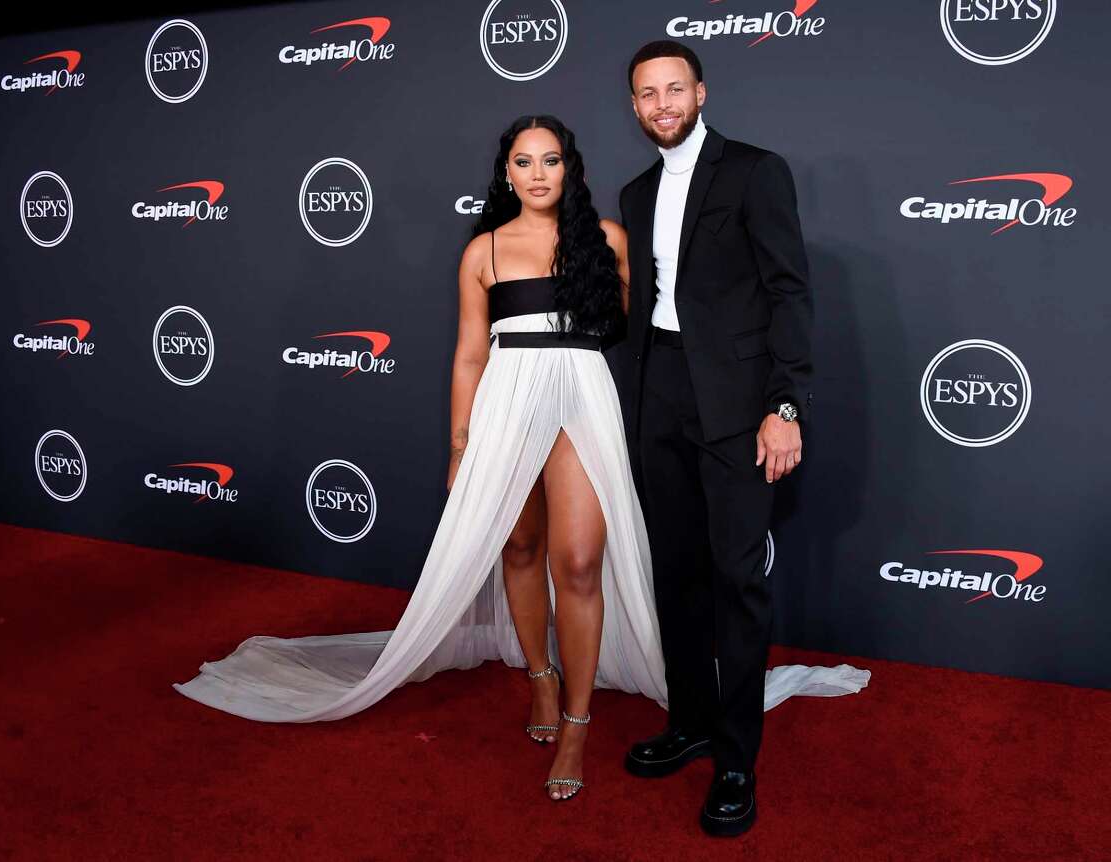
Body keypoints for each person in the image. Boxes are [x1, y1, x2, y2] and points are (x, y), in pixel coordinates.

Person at [174, 115, 867, 805]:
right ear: (505, 172)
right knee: (521, 547)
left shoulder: (611, 241)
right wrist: (459, 446)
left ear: (573, 169)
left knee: (578, 562)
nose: (538, 174)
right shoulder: (484, 252)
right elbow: (469, 356)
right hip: (506, 403)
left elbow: (661, 335)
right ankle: (540, 675)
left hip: (583, 402)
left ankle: (576, 721)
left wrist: (760, 398)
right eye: (524, 162)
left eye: (552, 160)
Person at [618, 40, 819, 836]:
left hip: (740, 406)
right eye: (646, 93)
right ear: (634, 106)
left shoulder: (753, 171)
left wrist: (787, 404)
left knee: (738, 582)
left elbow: (790, 292)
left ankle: (737, 755)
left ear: (701, 92)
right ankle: (692, 720)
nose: (662, 103)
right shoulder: (634, 194)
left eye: (674, 88)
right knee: (677, 575)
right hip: (658, 393)